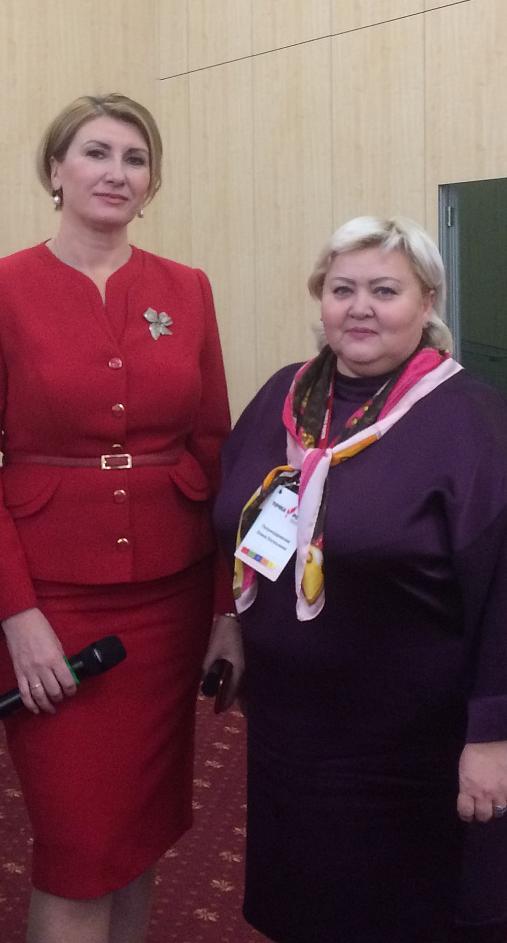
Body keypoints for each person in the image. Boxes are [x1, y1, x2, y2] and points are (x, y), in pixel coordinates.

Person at [0, 93, 244, 943]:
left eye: (134, 159)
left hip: (170, 599)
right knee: (78, 844)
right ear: (55, 170)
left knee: (139, 834)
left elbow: (214, 451)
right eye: (96, 153)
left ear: (151, 183)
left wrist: (226, 610)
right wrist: (15, 615)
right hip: (48, 601)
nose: (116, 173)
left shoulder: (186, 289)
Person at [214, 215, 507, 943]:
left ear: (427, 301)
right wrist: (232, 624)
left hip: (411, 738)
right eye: (342, 289)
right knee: (310, 901)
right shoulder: (283, 398)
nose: (360, 308)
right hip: (291, 726)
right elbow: (238, 527)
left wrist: (494, 735)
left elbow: (502, 593)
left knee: (401, 913)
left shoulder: (470, 419)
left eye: (385, 290)